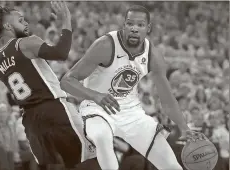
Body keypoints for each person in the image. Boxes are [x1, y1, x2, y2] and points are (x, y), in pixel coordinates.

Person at [61, 5, 206, 170]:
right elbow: (66, 81)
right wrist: (95, 95)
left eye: (140, 25)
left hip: (131, 113)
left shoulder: (153, 55)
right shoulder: (105, 45)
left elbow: (167, 99)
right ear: (124, 25)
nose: (134, 29)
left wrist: (183, 127)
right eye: (130, 24)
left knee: (172, 166)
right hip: (97, 109)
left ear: (148, 28)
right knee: (102, 137)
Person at [0, 1, 97, 170]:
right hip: (54, 110)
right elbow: (61, 53)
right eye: (21, 20)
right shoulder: (26, 43)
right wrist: (66, 20)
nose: (26, 23)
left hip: (31, 122)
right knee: (89, 162)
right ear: (8, 25)